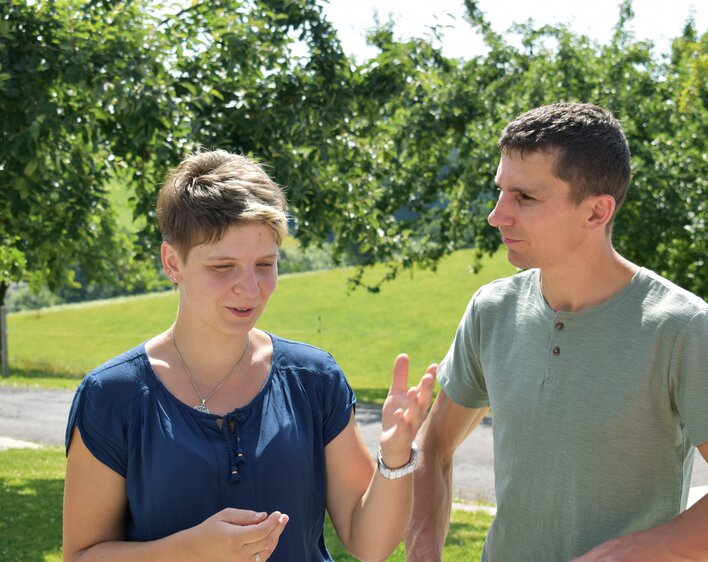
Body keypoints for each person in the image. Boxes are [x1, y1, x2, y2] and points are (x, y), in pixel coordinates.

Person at [405, 102, 708, 561]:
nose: (496, 215)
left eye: (525, 198)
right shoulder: (492, 309)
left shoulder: (680, 327)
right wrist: (422, 549)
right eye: (501, 191)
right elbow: (434, 443)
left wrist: (624, 555)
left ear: (595, 212)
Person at [63, 149, 436, 562]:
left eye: (265, 264)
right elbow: (81, 556)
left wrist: (395, 456)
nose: (251, 288)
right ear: (173, 263)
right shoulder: (112, 396)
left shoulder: (314, 378)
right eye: (223, 267)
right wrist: (191, 551)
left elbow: (371, 544)